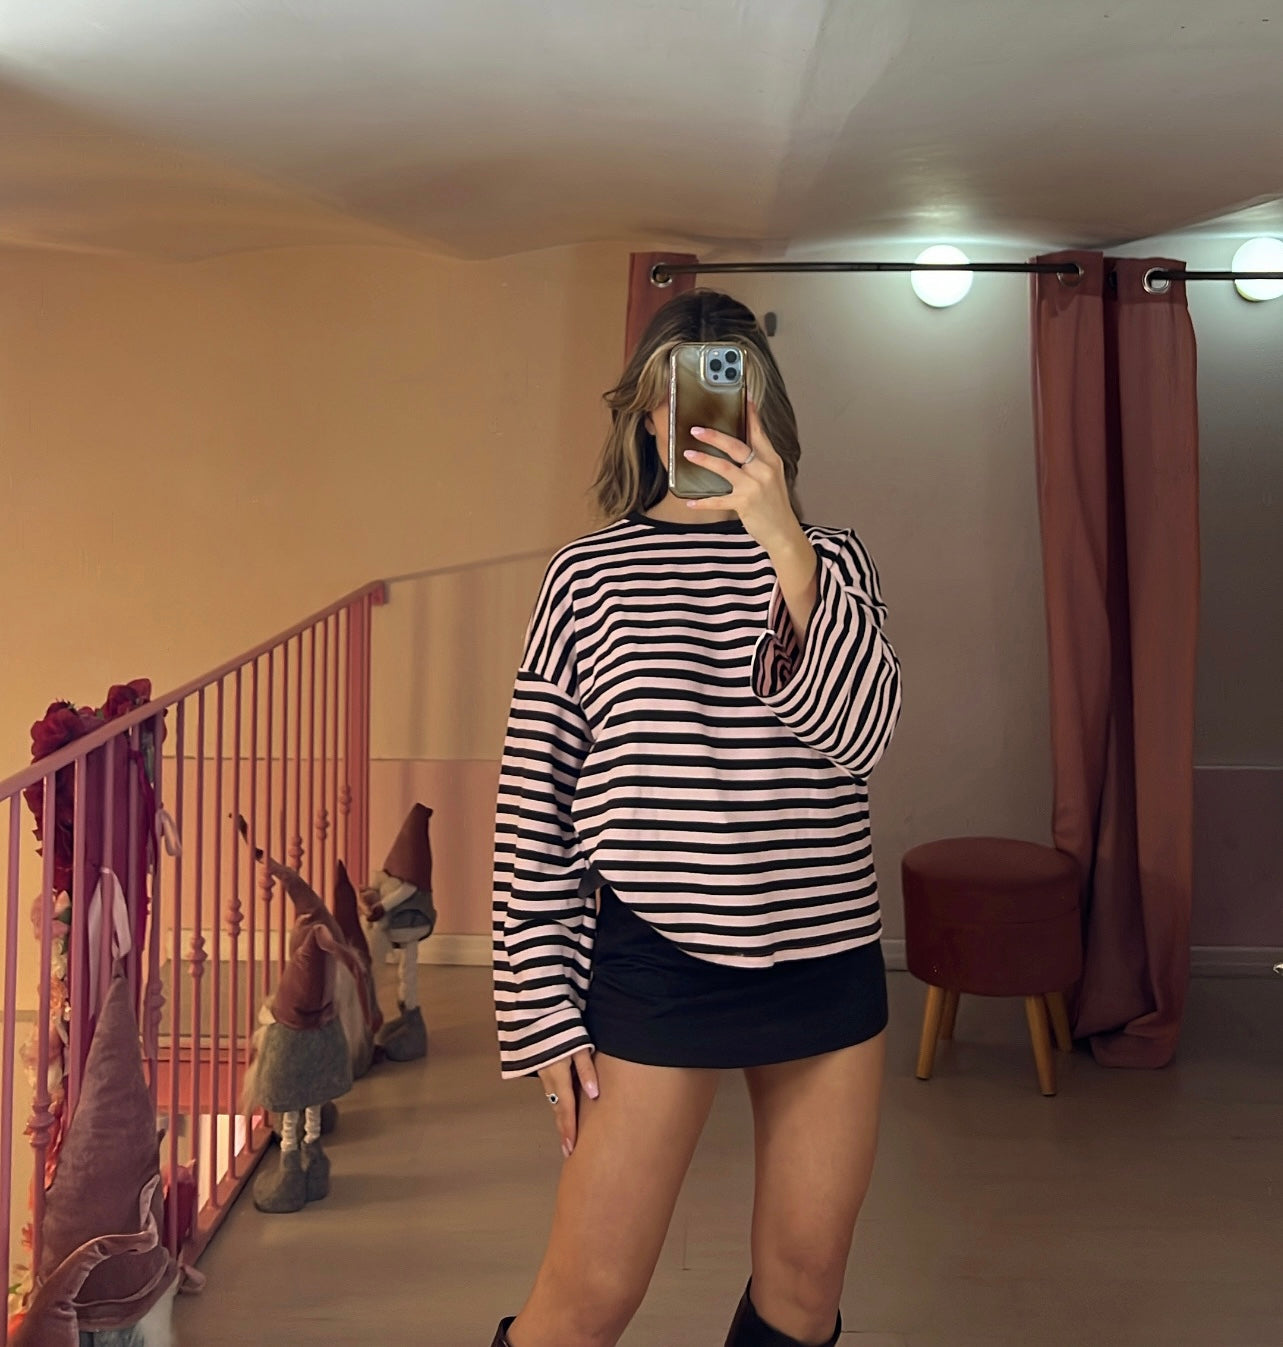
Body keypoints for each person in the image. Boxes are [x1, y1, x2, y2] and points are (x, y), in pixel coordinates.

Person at [491, 289, 902, 1347]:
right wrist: (540, 1005)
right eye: (676, 393)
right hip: (655, 960)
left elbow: (862, 736)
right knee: (585, 1300)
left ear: (767, 413)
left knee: (804, 1292)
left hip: (824, 956)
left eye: (731, 393)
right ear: (645, 414)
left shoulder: (831, 560)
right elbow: (535, 803)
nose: (702, 418)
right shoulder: (586, 574)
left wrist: (786, 546)